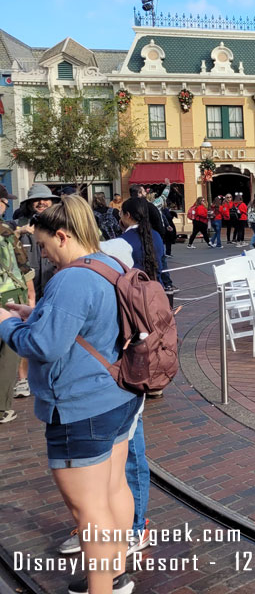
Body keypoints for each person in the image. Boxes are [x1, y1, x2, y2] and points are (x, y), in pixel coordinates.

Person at [0, 196, 143, 594]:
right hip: (118, 393)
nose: (44, 255)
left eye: (45, 246)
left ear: (63, 236)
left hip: (80, 405)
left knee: (88, 508)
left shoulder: (71, 278)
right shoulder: (111, 263)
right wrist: (36, 315)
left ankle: (101, 589)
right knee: (115, 490)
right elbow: (87, 324)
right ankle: (114, 577)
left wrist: (6, 326)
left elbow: (44, 346)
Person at [0, 185, 34, 424]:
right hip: (6, 292)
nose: (6, 206)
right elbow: (19, 264)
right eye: (4, 201)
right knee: (8, 351)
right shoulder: (5, 232)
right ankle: (2, 407)